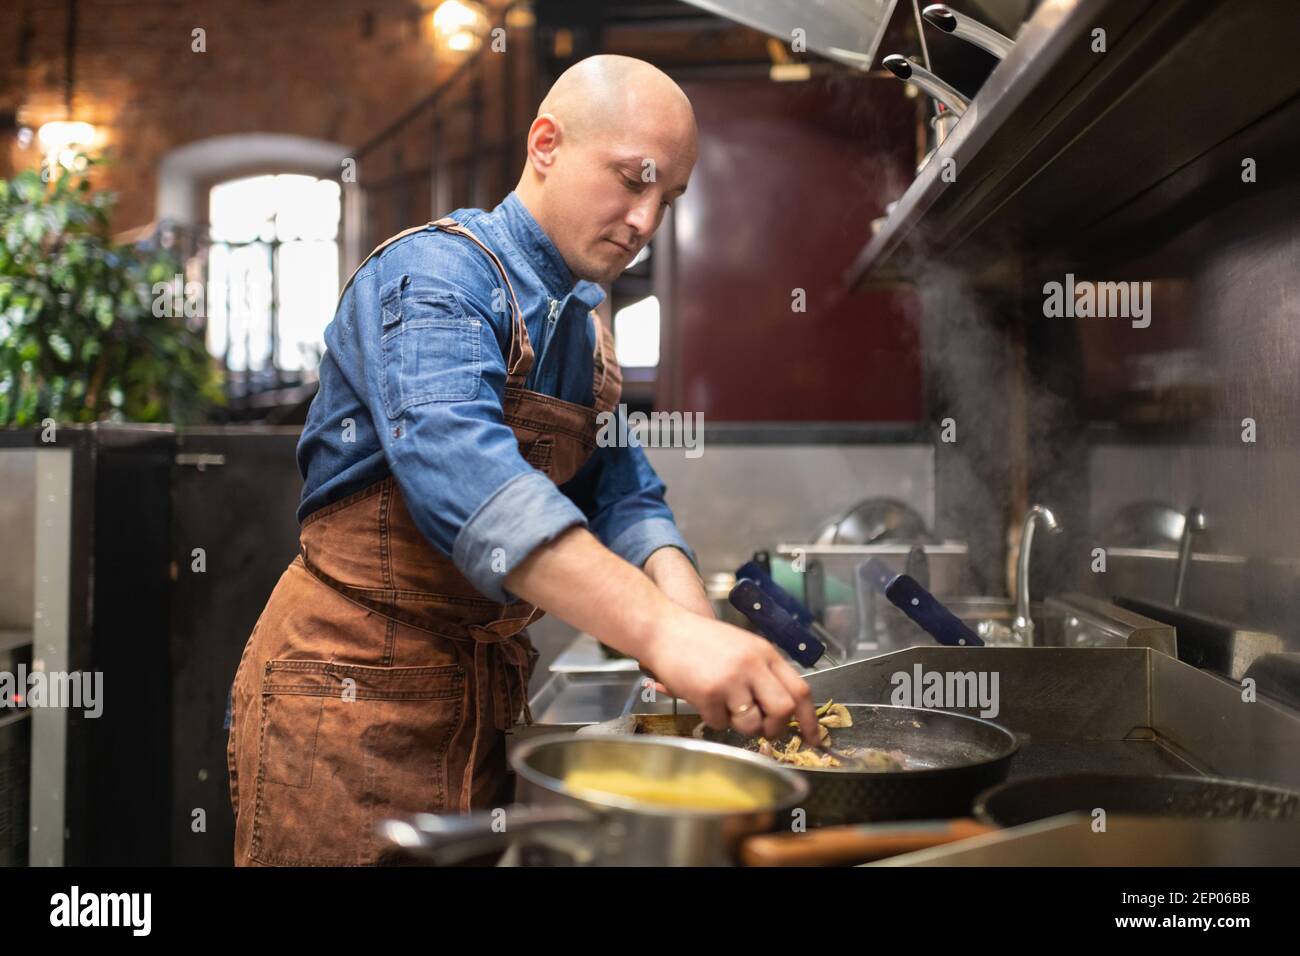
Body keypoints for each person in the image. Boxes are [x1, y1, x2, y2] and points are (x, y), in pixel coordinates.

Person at [227, 54, 818, 866]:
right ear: (545, 144)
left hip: (485, 698)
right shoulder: (434, 278)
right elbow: (475, 487)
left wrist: (692, 636)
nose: (647, 222)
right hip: (350, 699)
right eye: (631, 181)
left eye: (669, 199)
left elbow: (626, 498)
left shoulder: (582, 325)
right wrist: (660, 635)